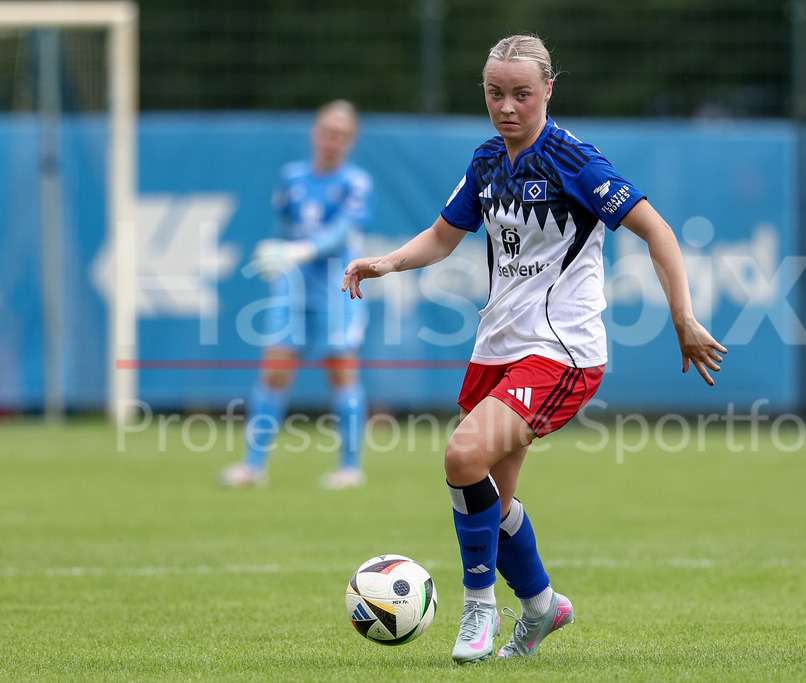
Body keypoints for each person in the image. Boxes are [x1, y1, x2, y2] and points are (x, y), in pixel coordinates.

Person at [343, 35, 726, 663]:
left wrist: (683, 318)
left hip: (562, 350)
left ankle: (478, 611)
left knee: (463, 455)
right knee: (492, 499)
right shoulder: (488, 160)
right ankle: (544, 606)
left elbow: (656, 230)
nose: (508, 106)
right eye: (495, 93)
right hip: (496, 346)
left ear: (549, 89)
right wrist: (386, 262)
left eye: (522, 93)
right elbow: (443, 237)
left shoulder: (576, 162)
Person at [221, 100, 374, 490]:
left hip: (338, 286)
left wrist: (301, 249)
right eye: (327, 132)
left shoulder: (355, 183)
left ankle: (349, 467)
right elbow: (286, 228)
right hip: (294, 285)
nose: (332, 141)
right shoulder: (290, 178)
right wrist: (278, 252)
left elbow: (342, 232)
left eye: (341, 135)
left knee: (341, 370)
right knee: (274, 371)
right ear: (314, 133)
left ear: (351, 141)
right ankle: (252, 467)